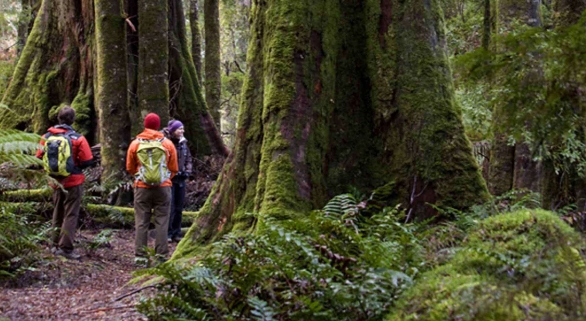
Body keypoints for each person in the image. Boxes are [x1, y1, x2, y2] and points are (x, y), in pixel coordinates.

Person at [36, 106, 93, 260]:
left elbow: (39, 155)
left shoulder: (46, 136)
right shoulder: (78, 138)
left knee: (57, 211)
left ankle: (53, 244)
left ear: (58, 118)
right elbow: (88, 160)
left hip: (55, 181)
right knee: (71, 214)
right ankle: (66, 248)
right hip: (73, 182)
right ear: (73, 120)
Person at [126, 113, 178, 265]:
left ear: (145, 124)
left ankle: (140, 257)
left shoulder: (135, 144)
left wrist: (140, 176)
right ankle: (161, 256)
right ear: (158, 125)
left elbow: (129, 167)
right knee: (162, 221)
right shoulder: (167, 144)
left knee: (141, 221)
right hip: (163, 188)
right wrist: (165, 178)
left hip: (142, 187)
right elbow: (174, 167)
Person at [162, 120, 193, 243]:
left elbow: (188, 159)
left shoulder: (183, 143)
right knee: (170, 206)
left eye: (182, 129)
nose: (182, 131)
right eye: (179, 129)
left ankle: (177, 232)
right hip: (169, 179)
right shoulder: (166, 143)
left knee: (179, 207)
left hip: (181, 179)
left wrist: (187, 171)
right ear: (173, 130)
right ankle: (168, 233)